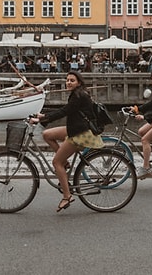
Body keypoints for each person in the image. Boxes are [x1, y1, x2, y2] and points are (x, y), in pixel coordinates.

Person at [32, 71, 103, 212]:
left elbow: (64, 111)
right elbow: (65, 110)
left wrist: (42, 118)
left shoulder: (78, 95)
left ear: (79, 82)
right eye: (67, 80)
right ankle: (66, 162)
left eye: (72, 80)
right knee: (47, 134)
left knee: (56, 162)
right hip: (76, 128)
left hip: (80, 133)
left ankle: (67, 196)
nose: (69, 82)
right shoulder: (78, 93)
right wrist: (44, 115)